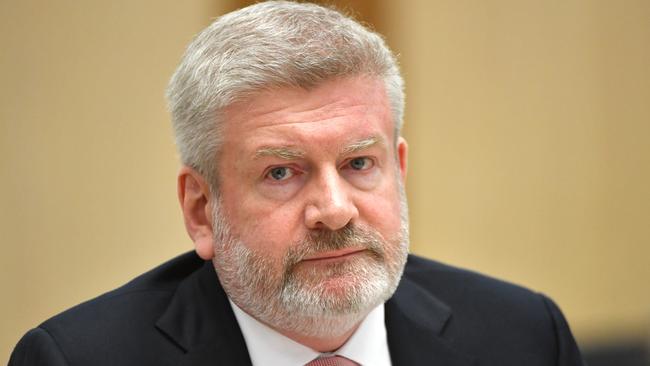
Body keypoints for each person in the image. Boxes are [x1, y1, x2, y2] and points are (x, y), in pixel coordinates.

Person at [9, 1, 585, 365]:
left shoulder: (525, 336)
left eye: (360, 164)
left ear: (399, 171)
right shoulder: (78, 358)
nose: (335, 212)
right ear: (202, 210)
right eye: (281, 172)